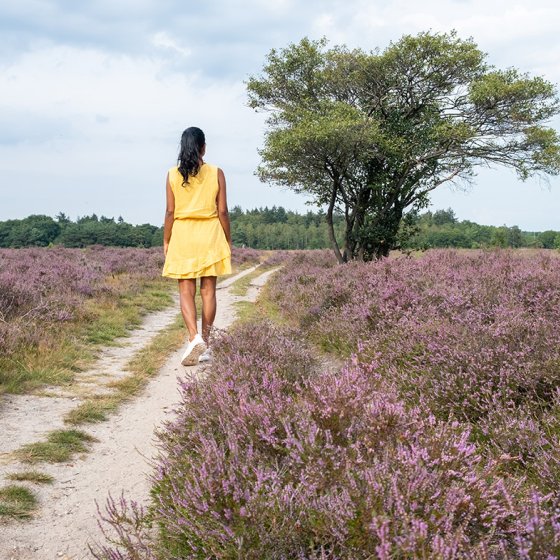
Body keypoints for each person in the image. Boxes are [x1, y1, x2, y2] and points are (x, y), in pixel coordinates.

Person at [161, 127, 232, 366]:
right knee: (209, 291)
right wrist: (227, 238)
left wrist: (166, 239)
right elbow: (222, 210)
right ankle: (207, 343)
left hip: (183, 234)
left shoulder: (172, 174)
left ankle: (193, 337)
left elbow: (170, 211)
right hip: (210, 233)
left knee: (186, 291)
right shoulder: (216, 172)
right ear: (203, 146)